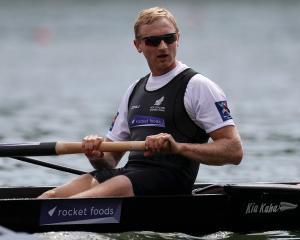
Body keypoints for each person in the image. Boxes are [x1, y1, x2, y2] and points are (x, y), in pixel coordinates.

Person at [38, 6, 243, 198]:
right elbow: (109, 162)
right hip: (129, 175)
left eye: (169, 38)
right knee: (50, 197)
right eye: (153, 41)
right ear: (138, 45)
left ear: (178, 39)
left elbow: (234, 150)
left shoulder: (198, 86)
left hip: (169, 183)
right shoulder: (134, 90)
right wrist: (96, 153)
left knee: (68, 206)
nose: (163, 46)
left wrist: (178, 148)